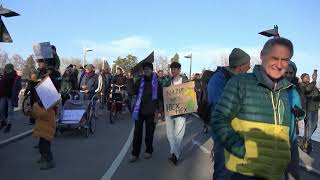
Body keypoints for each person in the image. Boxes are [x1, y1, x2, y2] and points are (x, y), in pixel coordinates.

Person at [211, 37, 295, 180]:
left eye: (285, 60)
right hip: (245, 172)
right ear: (262, 56)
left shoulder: (286, 90)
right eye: (275, 58)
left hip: (275, 173)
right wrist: (243, 150)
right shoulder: (240, 83)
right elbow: (218, 119)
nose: (280, 65)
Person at [207, 48, 251, 180]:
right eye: (247, 65)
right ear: (240, 66)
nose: (249, 68)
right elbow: (220, 105)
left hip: (239, 132)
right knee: (223, 170)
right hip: (224, 132)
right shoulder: (218, 79)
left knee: (236, 170)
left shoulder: (240, 79)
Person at [127, 62, 163, 163]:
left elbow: (160, 97)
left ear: (152, 70)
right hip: (139, 111)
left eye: (147, 69)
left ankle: (149, 150)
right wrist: (129, 79)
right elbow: (131, 92)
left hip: (152, 112)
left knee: (149, 133)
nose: (146, 71)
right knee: (137, 133)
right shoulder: (139, 81)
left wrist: (160, 111)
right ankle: (135, 153)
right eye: (144, 69)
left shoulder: (157, 82)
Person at [284, 61, 305, 180]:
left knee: (293, 173)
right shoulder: (272, 88)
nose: (287, 75)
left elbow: (301, 115)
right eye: (285, 72)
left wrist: (301, 113)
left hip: (290, 138)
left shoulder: (296, 91)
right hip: (273, 137)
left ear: (294, 74)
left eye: (290, 73)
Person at [165, 62, 188, 166]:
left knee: (179, 135)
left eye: (175, 69)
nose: (173, 71)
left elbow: (190, 96)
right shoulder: (168, 81)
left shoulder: (185, 81)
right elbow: (164, 96)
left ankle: (175, 155)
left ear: (179, 69)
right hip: (169, 111)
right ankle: (173, 153)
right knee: (170, 134)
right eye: (172, 69)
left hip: (181, 112)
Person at [299, 72, 319, 153]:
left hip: (315, 109)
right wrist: (314, 80)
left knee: (314, 127)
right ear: (303, 78)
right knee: (309, 127)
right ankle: (306, 145)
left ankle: (304, 142)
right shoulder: (302, 85)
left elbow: (317, 96)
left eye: (308, 76)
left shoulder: (313, 85)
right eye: (306, 77)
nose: (308, 77)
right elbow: (307, 90)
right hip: (308, 109)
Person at [0, 63, 22, 133]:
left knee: (10, 111)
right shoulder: (3, 76)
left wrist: (16, 93)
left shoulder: (16, 77)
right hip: (3, 95)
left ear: (11, 69)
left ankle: (8, 125)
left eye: (8, 69)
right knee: (1, 109)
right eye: (6, 69)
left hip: (11, 97)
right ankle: (3, 121)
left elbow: (19, 87)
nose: (6, 70)